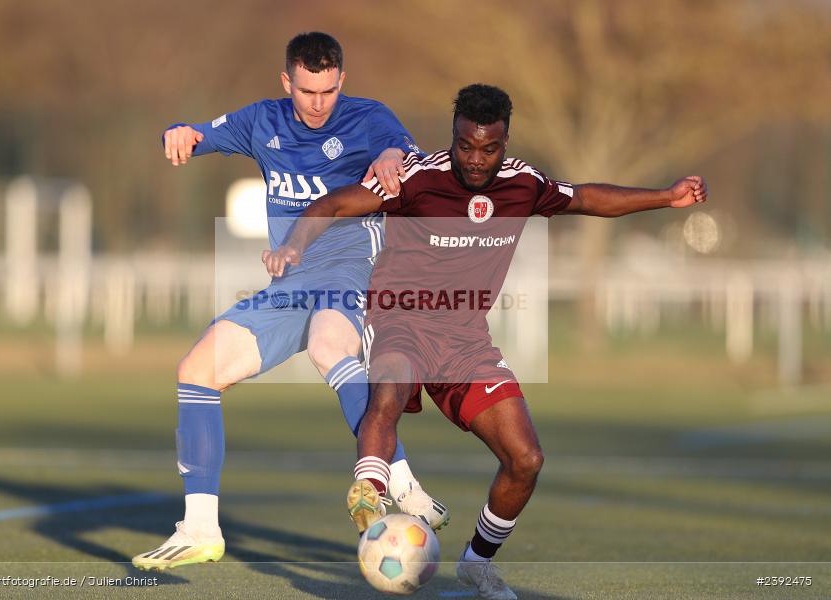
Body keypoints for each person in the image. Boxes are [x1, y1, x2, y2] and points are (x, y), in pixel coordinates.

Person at [263, 83, 708, 599]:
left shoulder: (523, 184)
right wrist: (294, 243)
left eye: (488, 149)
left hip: (465, 342)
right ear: (453, 136)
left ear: (505, 141)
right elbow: (338, 203)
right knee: (386, 393)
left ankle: (477, 563)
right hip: (399, 321)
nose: (475, 160)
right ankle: (369, 491)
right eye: (465, 146)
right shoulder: (416, 177)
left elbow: (585, 197)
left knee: (526, 459)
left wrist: (666, 197)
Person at [132, 32, 448, 572]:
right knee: (197, 370)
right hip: (290, 280)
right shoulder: (263, 120)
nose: (318, 102)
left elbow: (398, 147)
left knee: (330, 345)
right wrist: (177, 133)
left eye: (327, 90)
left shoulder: (369, 118)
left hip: (354, 268)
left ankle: (399, 478)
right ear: (287, 82)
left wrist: (395, 156)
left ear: (341, 81)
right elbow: (198, 134)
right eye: (306, 91)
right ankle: (200, 530)